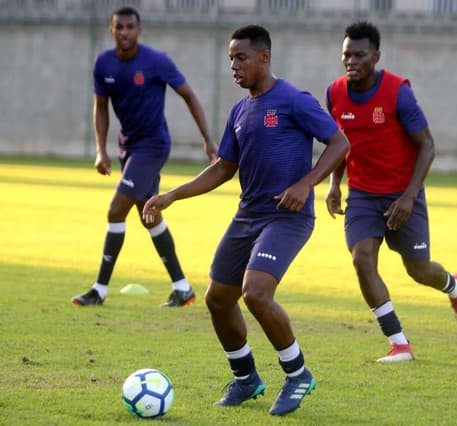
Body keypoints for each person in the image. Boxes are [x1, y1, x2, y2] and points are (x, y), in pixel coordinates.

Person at [143, 25, 349, 416]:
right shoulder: (240, 111)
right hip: (248, 216)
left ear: (264, 57)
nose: (234, 66)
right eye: (230, 59)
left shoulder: (293, 100)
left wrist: (307, 184)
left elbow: (340, 142)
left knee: (255, 292)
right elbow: (223, 168)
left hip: (287, 218)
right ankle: (246, 378)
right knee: (218, 298)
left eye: (241, 58)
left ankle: (298, 373)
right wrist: (171, 195)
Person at [325, 21, 457, 363]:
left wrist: (408, 197)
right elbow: (340, 141)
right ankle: (399, 343)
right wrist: (335, 184)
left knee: (419, 271)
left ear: (375, 56)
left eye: (360, 55)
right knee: (362, 258)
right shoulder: (334, 93)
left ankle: (454, 287)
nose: (352, 61)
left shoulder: (398, 92)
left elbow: (427, 146)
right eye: (346, 54)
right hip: (362, 193)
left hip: (403, 192)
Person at [71, 6, 217, 308]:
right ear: (111, 30)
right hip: (128, 148)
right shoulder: (104, 64)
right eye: (118, 27)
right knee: (149, 215)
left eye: (129, 27)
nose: (124, 32)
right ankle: (183, 288)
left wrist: (207, 140)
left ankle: (99, 289)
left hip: (153, 147)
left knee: (115, 210)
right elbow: (100, 108)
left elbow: (189, 96)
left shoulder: (156, 62)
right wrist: (101, 150)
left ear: (139, 30)